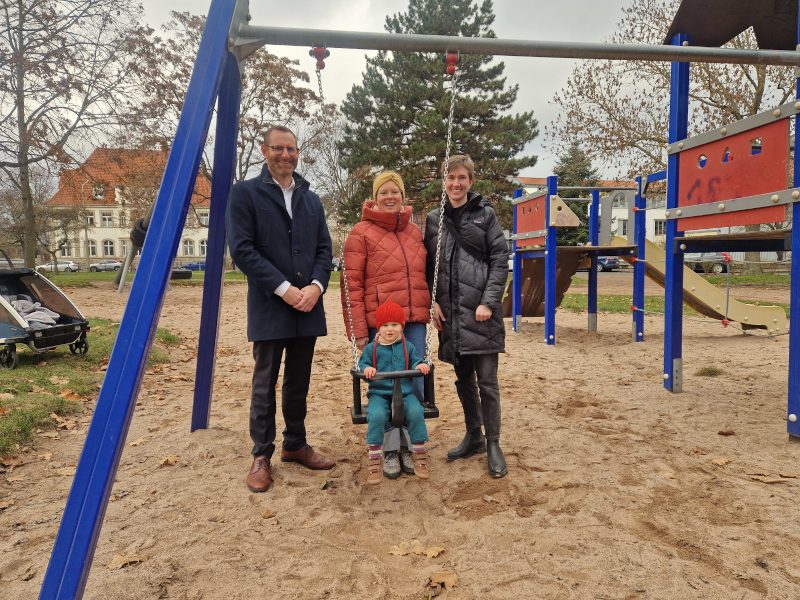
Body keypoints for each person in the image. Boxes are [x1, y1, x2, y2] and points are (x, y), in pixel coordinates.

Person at [226, 125, 335, 493]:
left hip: (308, 305)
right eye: (278, 149)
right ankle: (261, 454)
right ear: (265, 150)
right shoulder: (244, 194)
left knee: (298, 381)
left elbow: (324, 249)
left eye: (291, 149)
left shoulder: (311, 199)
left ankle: (295, 443)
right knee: (265, 381)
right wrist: (286, 290)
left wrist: (316, 288)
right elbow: (243, 250)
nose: (285, 155)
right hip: (271, 304)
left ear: (297, 152)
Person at [424, 155, 509, 478]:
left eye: (462, 178)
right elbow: (428, 266)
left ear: (471, 181)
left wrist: (489, 300)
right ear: (443, 182)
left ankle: (493, 443)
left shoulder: (485, 214)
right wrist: (432, 302)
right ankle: (473, 434)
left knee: (487, 382)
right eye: (451, 178)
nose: (456, 184)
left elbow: (500, 258)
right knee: (463, 380)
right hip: (452, 316)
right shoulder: (434, 219)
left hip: (481, 313)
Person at [341, 171, 431, 479]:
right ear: (375, 196)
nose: (390, 197)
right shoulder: (360, 232)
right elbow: (351, 284)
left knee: (413, 385)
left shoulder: (414, 232)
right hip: (382, 324)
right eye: (384, 192)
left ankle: (407, 444)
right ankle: (390, 449)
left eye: (395, 191)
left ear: (403, 196)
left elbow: (426, 275)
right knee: (384, 386)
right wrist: (359, 333)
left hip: (414, 319)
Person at [359, 300, 430, 485]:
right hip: (379, 394)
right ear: (378, 328)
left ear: (402, 327)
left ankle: (418, 454)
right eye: (385, 325)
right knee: (376, 415)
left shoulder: (408, 347)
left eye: (395, 325)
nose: (390, 329)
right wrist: (367, 370)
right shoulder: (371, 348)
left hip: (405, 394)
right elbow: (363, 363)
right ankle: (375, 458)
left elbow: (415, 360)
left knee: (415, 412)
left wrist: (420, 365)